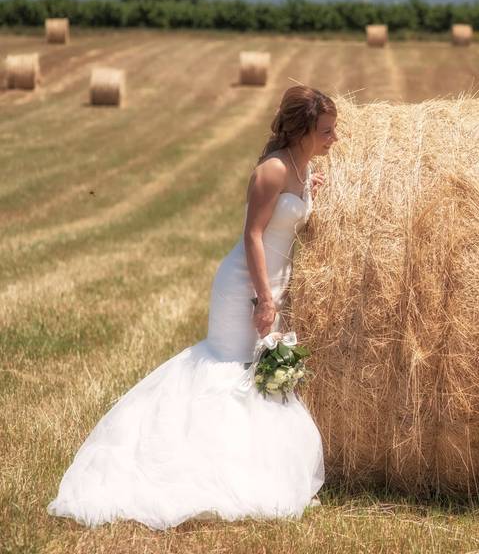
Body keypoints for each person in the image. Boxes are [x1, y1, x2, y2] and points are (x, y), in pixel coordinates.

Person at [47, 85, 337, 530]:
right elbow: (253, 236)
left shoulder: (301, 165)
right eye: (325, 130)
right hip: (245, 285)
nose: (334, 137)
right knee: (233, 375)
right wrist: (263, 299)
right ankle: (200, 476)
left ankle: (265, 478)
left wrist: (309, 188)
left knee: (264, 380)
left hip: (273, 286)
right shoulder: (272, 171)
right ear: (301, 130)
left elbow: (290, 212)